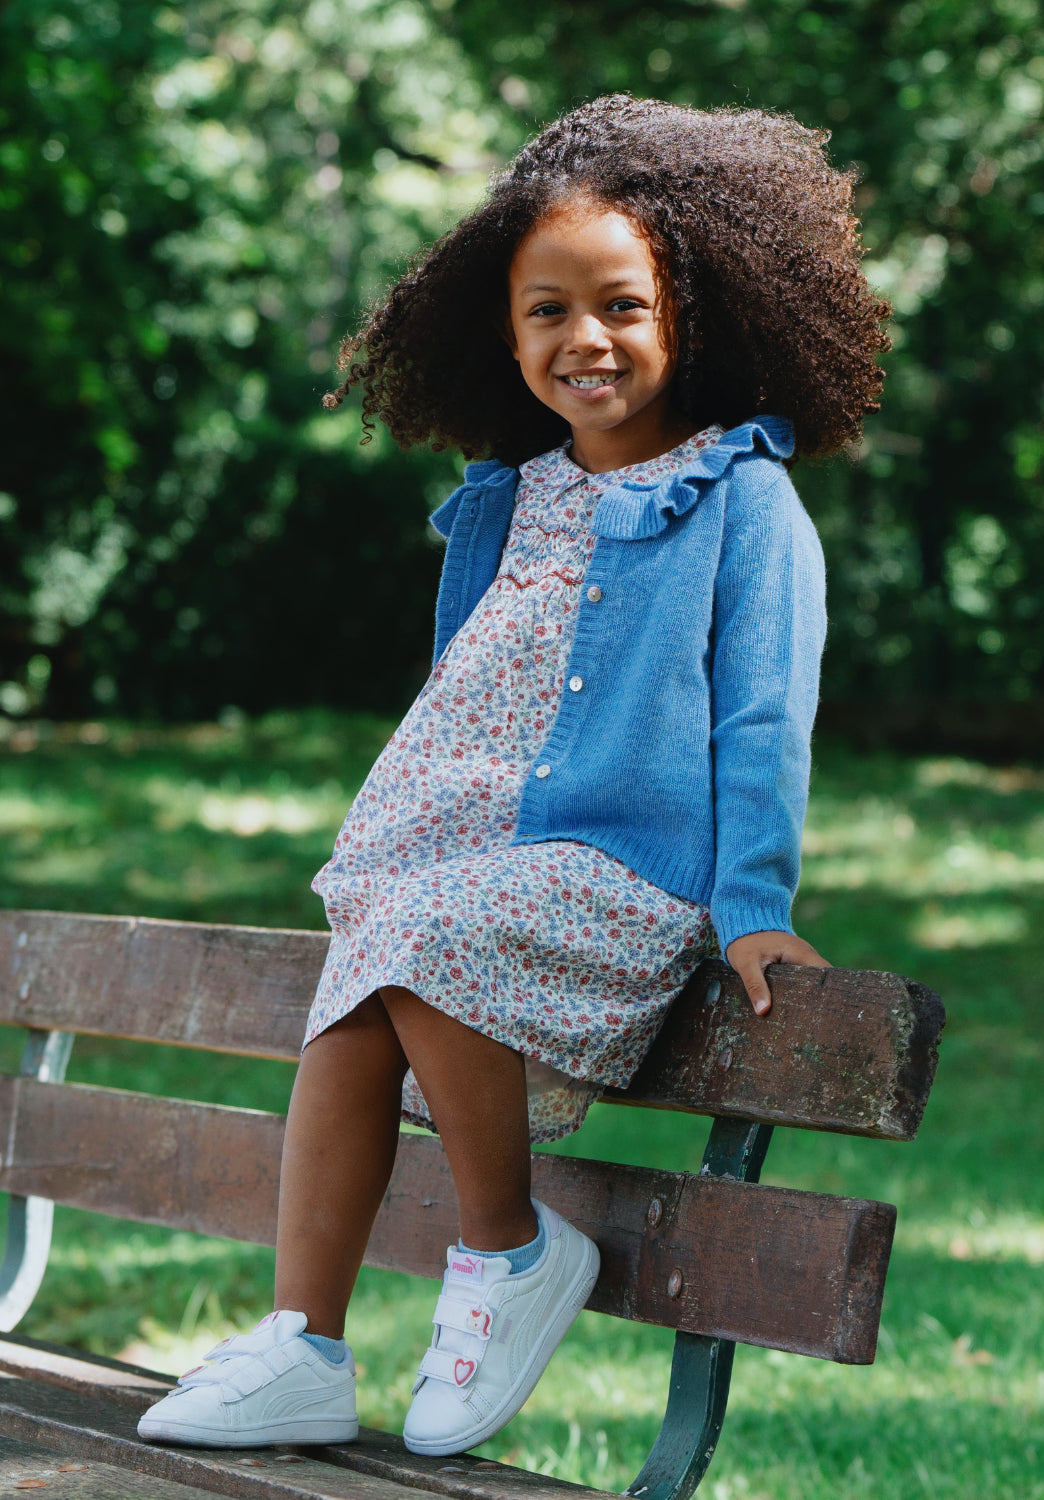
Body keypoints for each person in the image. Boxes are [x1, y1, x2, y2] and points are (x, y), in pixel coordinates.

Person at [138, 93, 889, 1457]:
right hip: (467, 870)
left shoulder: (741, 496)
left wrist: (752, 905)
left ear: (694, 314)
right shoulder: (510, 494)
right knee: (355, 1002)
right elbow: (471, 686)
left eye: (622, 306)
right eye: (548, 312)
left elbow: (765, 717)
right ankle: (302, 1342)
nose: (583, 338)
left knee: (420, 936)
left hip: (617, 871)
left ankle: (510, 1252)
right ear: (505, 333)